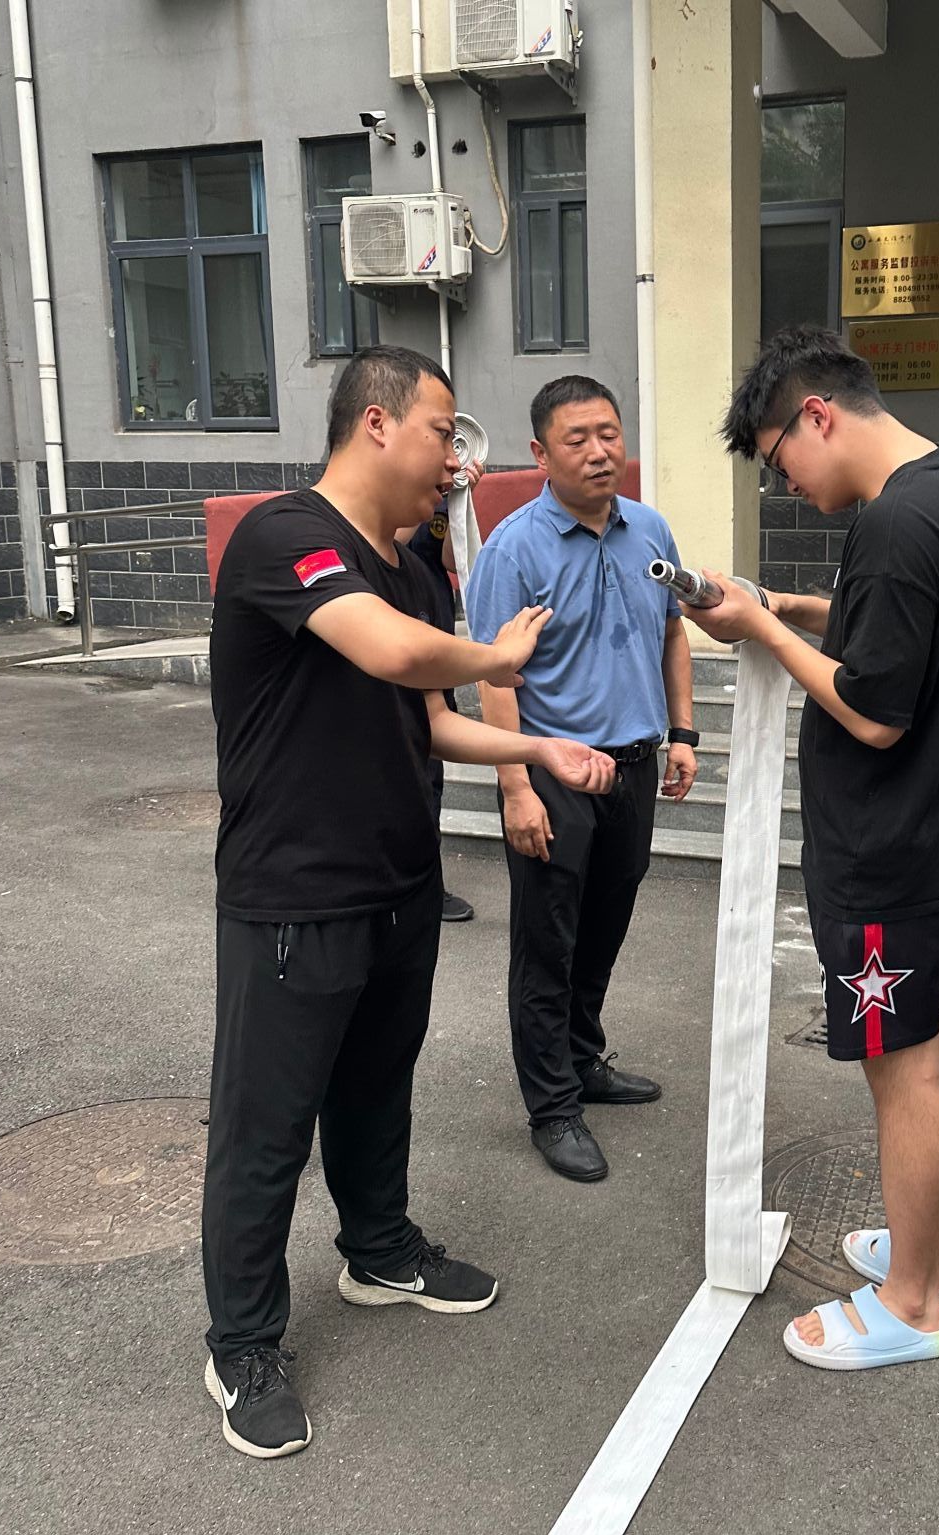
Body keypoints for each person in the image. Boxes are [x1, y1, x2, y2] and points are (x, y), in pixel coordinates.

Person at [201, 345, 616, 1459]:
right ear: (377, 423)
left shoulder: (415, 565)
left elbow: (428, 719)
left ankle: (378, 1252)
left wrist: (537, 747)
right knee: (265, 1130)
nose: (455, 462)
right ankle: (241, 1344)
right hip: (293, 896)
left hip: (398, 885)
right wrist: (494, 651)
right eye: (444, 433)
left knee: (377, 1092)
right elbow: (389, 653)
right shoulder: (287, 537)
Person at [686, 325, 939, 1371]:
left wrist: (764, 634)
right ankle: (929, 1257)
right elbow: (898, 633)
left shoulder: (893, 523)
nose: (785, 484)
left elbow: (871, 709)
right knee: (925, 1043)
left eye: (778, 461)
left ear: (815, 416)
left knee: (898, 1067)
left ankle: (911, 1303)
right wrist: (788, 607)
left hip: (888, 847)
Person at [461, 377, 697, 1182]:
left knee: (603, 927)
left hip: (633, 765)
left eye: (609, 434)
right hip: (553, 774)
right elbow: (495, 675)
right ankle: (553, 1107)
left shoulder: (649, 529)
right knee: (547, 944)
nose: (600, 452)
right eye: (577, 439)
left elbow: (672, 634)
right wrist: (515, 788)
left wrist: (683, 733)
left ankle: (583, 1059)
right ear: (540, 453)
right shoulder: (513, 550)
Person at [397, 460, 485, 922]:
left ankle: (428, 885)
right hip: (396, 653)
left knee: (430, 778)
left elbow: (451, 560)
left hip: (434, 647)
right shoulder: (393, 500)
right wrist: (425, 487)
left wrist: (459, 499)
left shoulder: (438, 501)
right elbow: (389, 541)